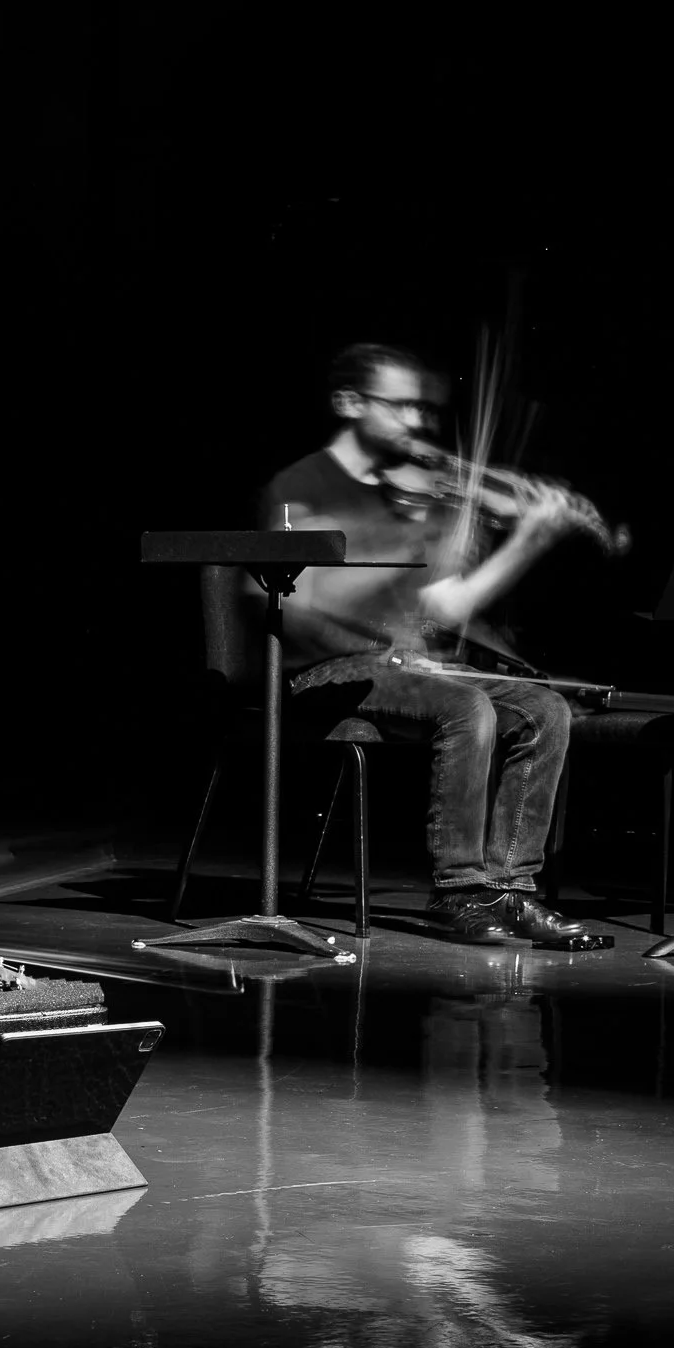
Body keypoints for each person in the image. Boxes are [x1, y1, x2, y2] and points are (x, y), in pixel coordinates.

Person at [262, 343, 599, 945]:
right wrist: (404, 551)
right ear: (349, 402)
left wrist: (529, 539)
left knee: (544, 709)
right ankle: (459, 891)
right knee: (466, 706)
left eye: (421, 409)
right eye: (400, 407)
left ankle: (510, 890)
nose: (417, 423)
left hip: (405, 666)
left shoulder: (406, 496)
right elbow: (302, 606)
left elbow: (447, 606)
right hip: (326, 670)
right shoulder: (302, 485)